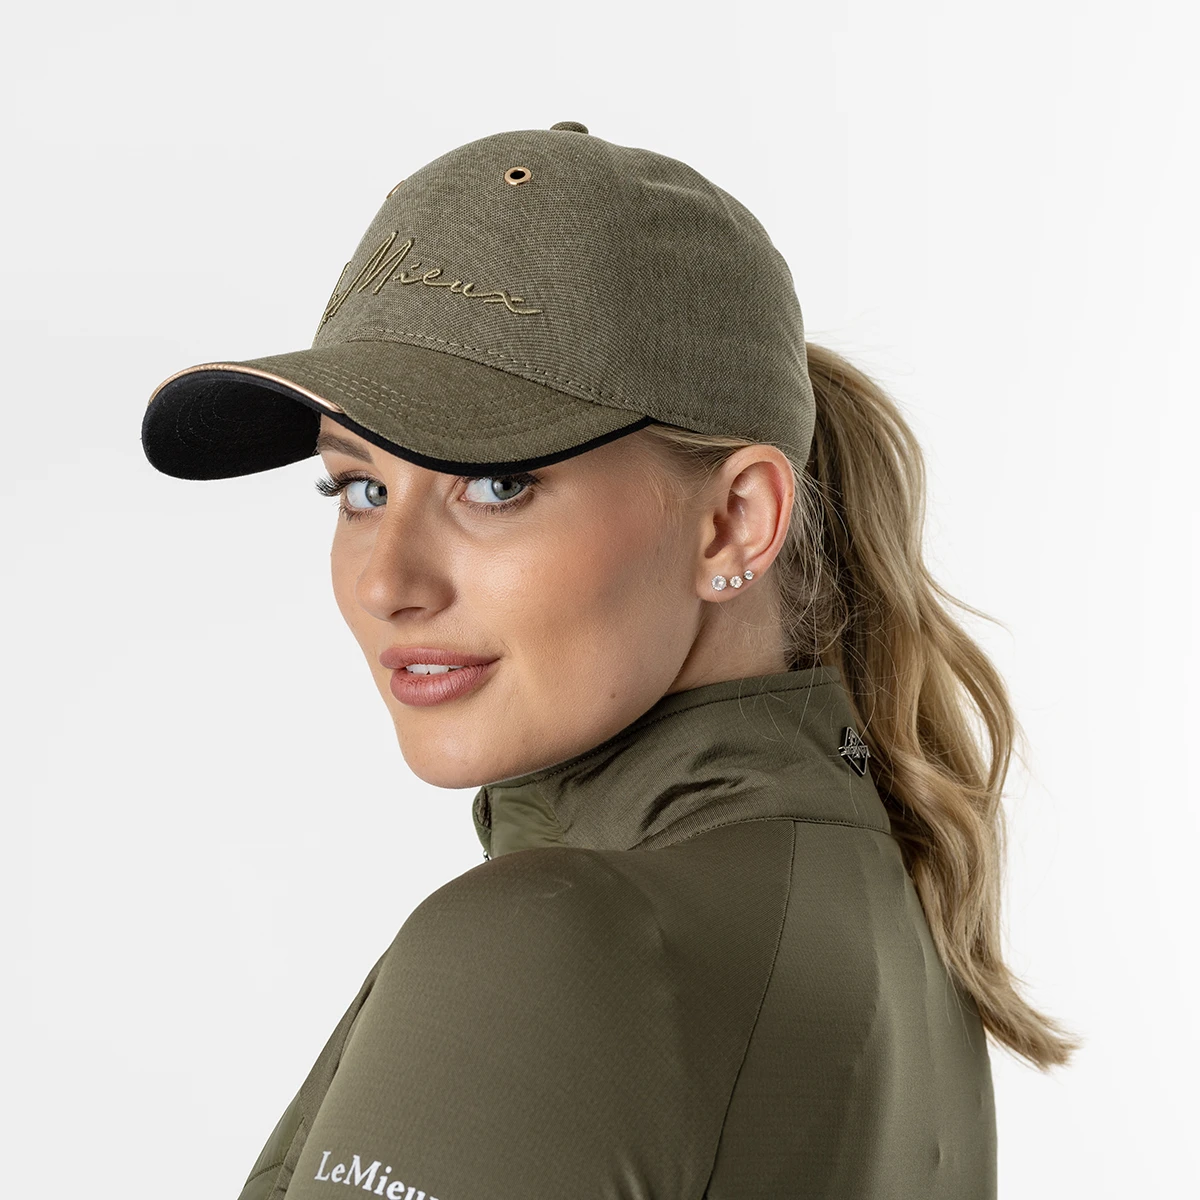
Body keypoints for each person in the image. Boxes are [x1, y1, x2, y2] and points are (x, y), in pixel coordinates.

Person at [140, 120, 1081, 1200]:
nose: (387, 581)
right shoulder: (891, 924)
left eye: (495, 484)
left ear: (734, 522)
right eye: (359, 488)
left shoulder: (543, 946)